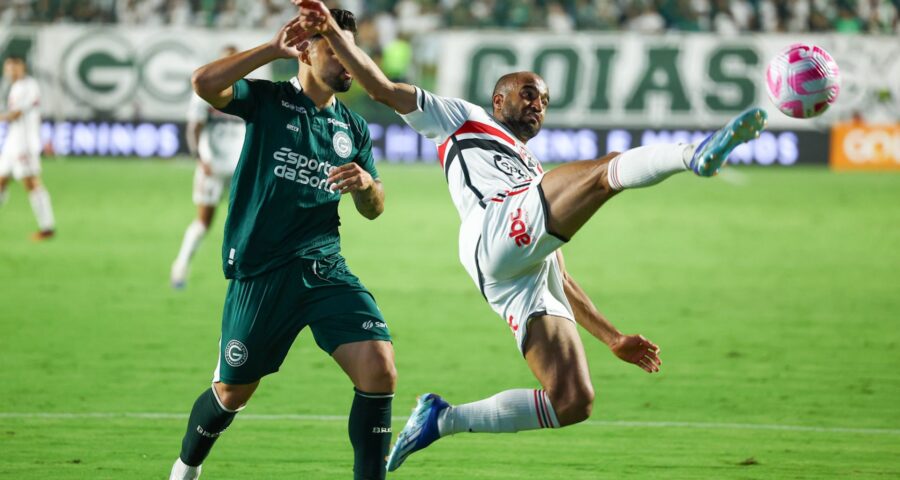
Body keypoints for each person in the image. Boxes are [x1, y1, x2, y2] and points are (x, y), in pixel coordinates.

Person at [294, 0, 767, 472]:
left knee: (573, 400)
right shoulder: (460, 117)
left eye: (543, 99)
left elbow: (558, 271)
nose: (537, 103)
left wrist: (612, 337)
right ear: (499, 100)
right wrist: (334, 32)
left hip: (516, 270)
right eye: (528, 93)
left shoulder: (532, 170)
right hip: (492, 227)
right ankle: (693, 154)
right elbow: (381, 88)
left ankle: (442, 419)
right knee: (605, 171)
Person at [169, 10, 397, 480]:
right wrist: (271, 50)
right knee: (232, 393)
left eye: (351, 49)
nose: (347, 60)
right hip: (262, 271)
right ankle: (185, 469)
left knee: (379, 369)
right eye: (333, 48)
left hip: (323, 267)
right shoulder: (269, 100)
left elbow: (375, 208)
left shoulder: (352, 129)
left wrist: (364, 187)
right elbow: (204, 83)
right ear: (307, 50)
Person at [170, 46, 245, 289]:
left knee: (246, 221)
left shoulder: (245, 90)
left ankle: (243, 273)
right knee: (204, 222)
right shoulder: (209, 91)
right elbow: (194, 128)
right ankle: (181, 265)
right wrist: (200, 158)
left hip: (239, 167)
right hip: (213, 166)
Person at [0, 55, 56, 241]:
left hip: (24, 144)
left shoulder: (29, 86)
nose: (10, 72)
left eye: (14, 68)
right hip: (12, 142)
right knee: (1, 181)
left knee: (31, 182)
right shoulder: (15, 87)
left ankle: (47, 227)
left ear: (22, 67)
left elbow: (16, 114)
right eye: (8, 68)